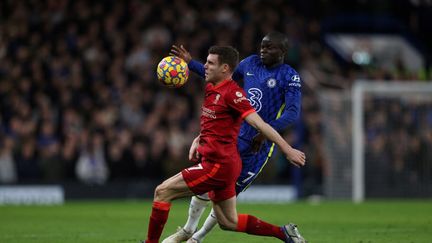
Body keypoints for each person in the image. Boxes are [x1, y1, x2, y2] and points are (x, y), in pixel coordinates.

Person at [143, 46, 306, 243]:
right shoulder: (212, 86)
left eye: (210, 63)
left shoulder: (233, 95)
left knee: (162, 191)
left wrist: (287, 149)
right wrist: (199, 138)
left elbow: (260, 124)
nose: (205, 66)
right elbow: (214, 122)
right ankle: (284, 234)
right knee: (229, 221)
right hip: (224, 164)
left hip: (218, 166)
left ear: (225, 69)